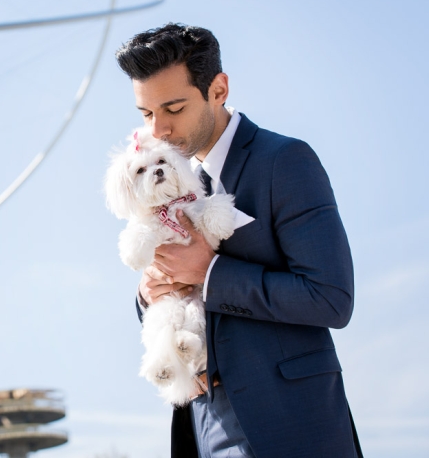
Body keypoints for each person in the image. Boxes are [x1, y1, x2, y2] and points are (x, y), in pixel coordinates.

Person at [114, 23, 362, 458]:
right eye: (147, 115)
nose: (161, 129)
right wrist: (149, 290)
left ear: (219, 89)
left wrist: (209, 273)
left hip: (290, 426)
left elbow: (330, 297)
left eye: (174, 108)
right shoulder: (165, 182)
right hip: (202, 420)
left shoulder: (284, 161)